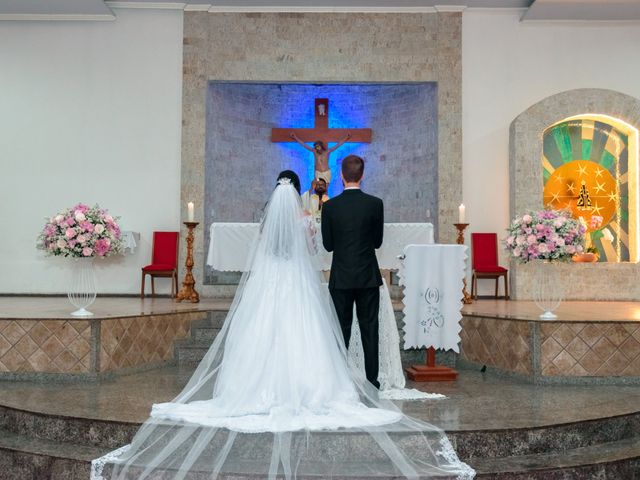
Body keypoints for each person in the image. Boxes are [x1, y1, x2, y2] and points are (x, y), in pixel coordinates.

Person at [91, 170, 474, 480]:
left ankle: (252, 385)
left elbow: (307, 245)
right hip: (308, 281)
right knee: (317, 330)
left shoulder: (285, 217)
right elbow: (318, 249)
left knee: (262, 332)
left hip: (272, 281)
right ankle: (361, 382)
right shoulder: (319, 215)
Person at [321, 155, 383, 389]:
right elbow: (377, 242)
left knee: (340, 329)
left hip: (342, 277)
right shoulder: (375, 204)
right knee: (370, 328)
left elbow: (328, 245)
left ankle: (339, 381)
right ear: (363, 175)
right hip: (367, 276)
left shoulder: (330, 206)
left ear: (341, 176)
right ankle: (372, 381)